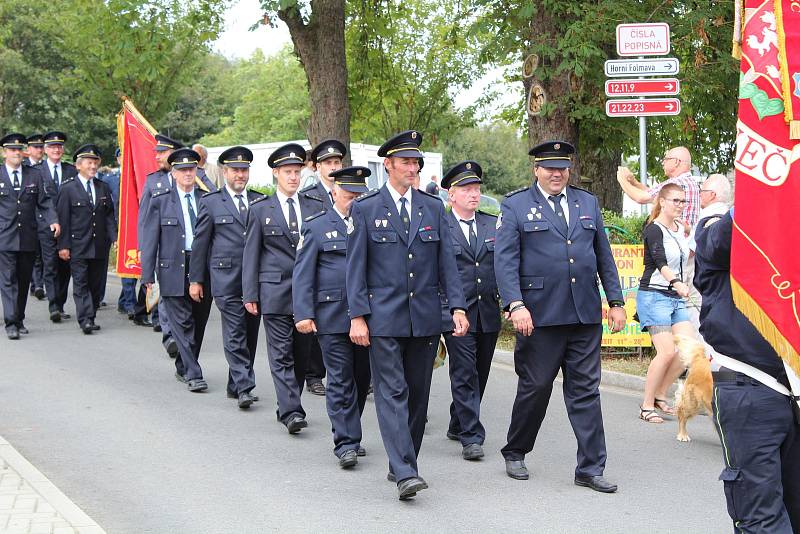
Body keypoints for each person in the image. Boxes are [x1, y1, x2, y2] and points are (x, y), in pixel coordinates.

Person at [494, 140, 626, 492]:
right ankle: (516, 450)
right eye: (550, 167)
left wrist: (615, 300)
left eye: (562, 167)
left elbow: (603, 255)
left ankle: (590, 467)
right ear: (536, 169)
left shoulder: (587, 202)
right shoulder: (516, 205)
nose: (557, 173)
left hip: (583, 315)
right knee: (535, 387)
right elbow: (505, 261)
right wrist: (515, 304)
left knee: (585, 391)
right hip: (539, 316)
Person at [346, 130, 468, 500]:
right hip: (383, 317)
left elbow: (447, 262)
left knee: (418, 395)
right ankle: (404, 471)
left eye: (416, 162)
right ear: (388, 165)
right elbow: (356, 268)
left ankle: (404, 459)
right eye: (405, 162)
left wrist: (457, 307)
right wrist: (357, 316)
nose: (412, 168)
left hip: (426, 316)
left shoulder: (432, 207)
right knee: (391, 391)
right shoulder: (366, 208)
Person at [694, 209, 799, 533]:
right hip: (752, 389)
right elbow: (719, 239)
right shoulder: (717, 236)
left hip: (792, 391)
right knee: (761, 518)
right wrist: (766, 197)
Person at [293, 165, 372, 468]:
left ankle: (351, 428)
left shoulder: (370, 224)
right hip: (332, 315)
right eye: (349, 193)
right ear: (335, 191)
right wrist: (304, 312)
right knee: (339, 379)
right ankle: (346, 441)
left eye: (359, 194)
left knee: (362, 378)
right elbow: (303, 274)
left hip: (366, 316)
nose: (354, 199)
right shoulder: (316, 226)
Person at [242, 143, 324, 433]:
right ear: (276, 173)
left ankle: (287, 403)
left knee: (302, 354)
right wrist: (249, 293)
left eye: (297, 171)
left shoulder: (314, 207)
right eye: (287, 172)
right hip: (274, 290)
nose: (293, 177)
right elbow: (251, 254)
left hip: (307, 294)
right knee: (281, 354)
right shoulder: (261, 209)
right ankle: (291, 411)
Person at [189, 146, 264, 408]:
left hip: (254, 280)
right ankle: (245, 385)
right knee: (235, 331)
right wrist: (196, 280)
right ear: (224, 172)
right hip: (225, 278)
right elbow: (200, 244)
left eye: (244, 170)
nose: (240, 175)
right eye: (235, 170)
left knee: (251, 333)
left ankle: (235, 383)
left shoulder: (259, 201)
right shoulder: (210, 202)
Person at [439, 161, 499, 461]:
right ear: (452, 195)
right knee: (464, 372)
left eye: (476, 189)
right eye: (466, 189)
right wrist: (445, 309)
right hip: (456, 313)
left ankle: (457, 420)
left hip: (487, 311)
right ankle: (471, 436)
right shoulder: (441, 225)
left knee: (481, 373)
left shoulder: (492, 224)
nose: (473, 195)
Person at [140, 148, 213, 392]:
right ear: (173, 173)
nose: (188, 173)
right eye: (182, 170)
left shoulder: (206, 199)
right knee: (182, 323)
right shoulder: (161, 200)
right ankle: (194, 373)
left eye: (191, 169)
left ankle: (184, 364)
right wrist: (147, 274)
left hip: (201, 266)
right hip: (172, 267)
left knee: (199, 321)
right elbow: (150, 238)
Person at [636, 183, 695, 423]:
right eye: (676, 201)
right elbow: (660, 262)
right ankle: (646, 405)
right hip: (654, 295)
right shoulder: (653, 229)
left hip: (675, 298)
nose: (680, 206)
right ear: (662, 201)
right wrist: (677, 283)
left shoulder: (680, 228)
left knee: (688, 349)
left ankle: (661, 395)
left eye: (683, 201)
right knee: (667, 351)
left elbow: (685, 254)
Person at [299, 139, 347, 396]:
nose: (333, 167)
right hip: (316, 263)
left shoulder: (350, 193)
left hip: (340, 269)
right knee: (319, 322)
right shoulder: (308, 197)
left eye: (337, 162)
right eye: (328, 163)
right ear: (317, 167)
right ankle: (314, 374)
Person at [0, 133, 59, 339]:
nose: (16, 153)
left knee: (24, 280)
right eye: (12, 150)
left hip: (27, 236)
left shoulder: (34, 175)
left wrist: (53, 220)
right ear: (4, 152)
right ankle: (10, 323)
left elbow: (44, 201)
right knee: (8, 280)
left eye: (19, 149)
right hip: (4, 237)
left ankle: (19, 317)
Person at [55, 144, 116, 334]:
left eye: (95, 163)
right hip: (78, 244)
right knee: (81, 283)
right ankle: (85, 319)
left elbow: (109, 216)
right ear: (78, 165)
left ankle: (91, 315)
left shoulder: (103, 187)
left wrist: (114, 238)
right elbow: (63, 219)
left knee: (96, 284)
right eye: (89, 163)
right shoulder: (68, 189)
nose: (93, 167)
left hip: (99, 244)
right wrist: (63, 246)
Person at [687, 173, 731, 344]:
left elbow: (692, 250)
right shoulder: (726, 218)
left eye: (702, 190)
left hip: (712, 289)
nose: (699, 194)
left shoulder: (708, 219)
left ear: (712, 195)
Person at [40, 131, 77, 322]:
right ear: (45, 149)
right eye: (52, 147)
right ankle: (53, 305)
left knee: (65, 267)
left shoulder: (71, 171)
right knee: (50, 265)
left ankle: (60, 303)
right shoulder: (37, 171)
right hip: (45, 226)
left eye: (59, 146)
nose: (56, 149)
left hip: (67, 226)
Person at [616, 146, 701, 227]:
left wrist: (621, 179)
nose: (663, 162)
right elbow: (652, 194)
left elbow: (641, 198)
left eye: (666, 159)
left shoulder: (675, 183)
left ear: (676, 162)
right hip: (687, 239)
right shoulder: (690, 182)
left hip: (672, 238)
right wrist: (633, 182)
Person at [24, 134, 46, 300]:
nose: (39, 150)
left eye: (41, 147)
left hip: (45, 218)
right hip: (28, 219)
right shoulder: (23, 168)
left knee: (44, 255)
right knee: (34, 254)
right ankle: (37, 284)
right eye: (36, 147)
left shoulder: (47, 167)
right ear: (28, 150)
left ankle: (38, 283)